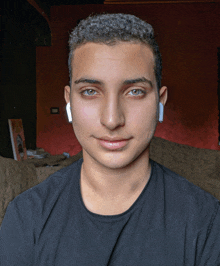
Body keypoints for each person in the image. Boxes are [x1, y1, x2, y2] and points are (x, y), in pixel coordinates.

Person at [1, 13, 220, 265]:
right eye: (90, 92)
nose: (112, 119)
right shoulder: (27, 215)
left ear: (159, 102)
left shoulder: (206, 221)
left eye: (135, 92)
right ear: (69, 101)